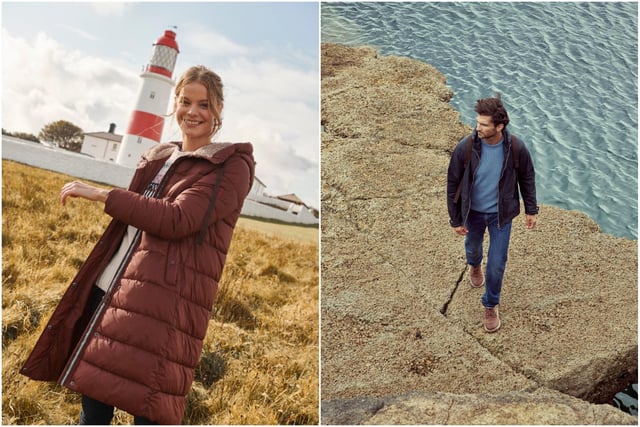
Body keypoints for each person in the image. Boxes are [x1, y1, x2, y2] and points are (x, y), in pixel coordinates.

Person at [20, 65, 255, 424]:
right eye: (185, 101)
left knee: (147, 414)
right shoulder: (158, 158)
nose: (193, 112)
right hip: (111, 292)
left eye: (204, 104)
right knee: (93, 410)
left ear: (219, 109)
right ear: (174, 104)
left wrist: (102, 194)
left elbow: (178, 218)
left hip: (162, 310)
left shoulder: (229, 168)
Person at [446, 95, 538, 333]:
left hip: (501, 215)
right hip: (473, 213)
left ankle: (491, 304)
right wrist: (455, 218)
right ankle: (474, 265)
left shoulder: (516, 148)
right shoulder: (466, 147)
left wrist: (531, 209)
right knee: (473, 248)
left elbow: (527, 177)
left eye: (484, 124)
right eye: (477, 122)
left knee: (497, 264)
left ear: (499, 126)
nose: (478, 127)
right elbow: (452, 182)